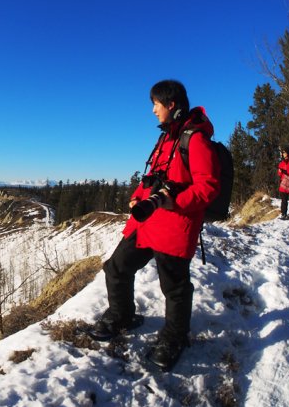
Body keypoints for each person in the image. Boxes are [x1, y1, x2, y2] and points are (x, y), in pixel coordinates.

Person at [89, 79, 221, 371]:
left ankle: (175, 337)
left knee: (173, 287)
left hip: (176, 225)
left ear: (171, 104)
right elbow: (153, 177)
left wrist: (172, 202)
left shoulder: (195, 139)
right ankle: (122, 315)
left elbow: (208, 187)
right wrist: (138, 198)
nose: (152, 111)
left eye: (156, 104)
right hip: (148, 221)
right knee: (116, 267)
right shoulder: (167, 138)